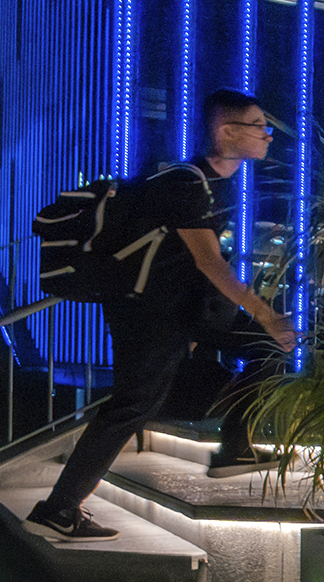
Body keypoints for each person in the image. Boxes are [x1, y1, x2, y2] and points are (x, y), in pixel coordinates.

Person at [28, 91, 300, 541]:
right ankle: (59, 507)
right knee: (133, 406)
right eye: (257, 125)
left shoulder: (209, 183)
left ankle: (236, 446)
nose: (268, 135)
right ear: (226, 132)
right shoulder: (186, 185)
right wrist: (267, 314)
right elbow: (210, 262)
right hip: (150, 312)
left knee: (266, 347)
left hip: (185, 308)